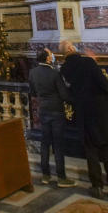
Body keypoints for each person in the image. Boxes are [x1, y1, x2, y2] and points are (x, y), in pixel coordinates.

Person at [59, 40, 108, 199]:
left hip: (82, 112)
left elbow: (68, 92)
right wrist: (93, 63)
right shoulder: (87, 62)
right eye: (72, 44)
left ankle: (96, 186)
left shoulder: (64, 69)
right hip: (100, 110)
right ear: (71, 48)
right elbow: (104, 84)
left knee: (91, 150)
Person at [28, 47, 76, 187]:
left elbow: (32, 92)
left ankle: (45, 175)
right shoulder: (54, 73)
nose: (52, 56)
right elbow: (64, 95)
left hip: (43, 109)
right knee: (58, 144)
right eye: (51, 54)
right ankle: (61, 177)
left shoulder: (32, 72)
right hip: (56, 111)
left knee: (45, 142)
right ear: (48, 58)